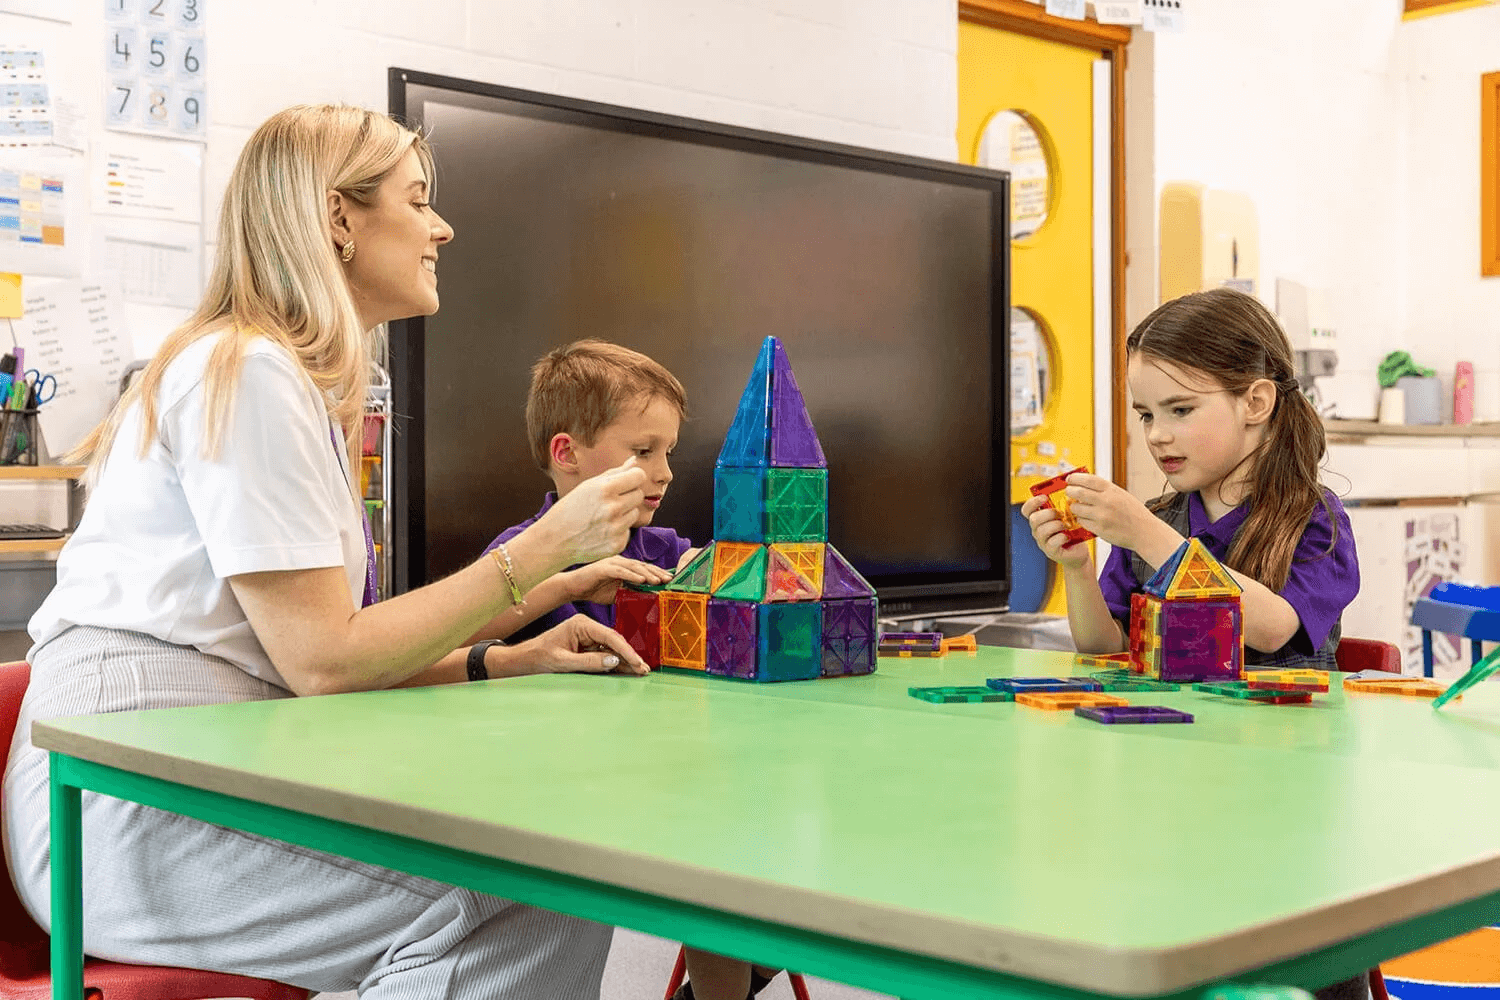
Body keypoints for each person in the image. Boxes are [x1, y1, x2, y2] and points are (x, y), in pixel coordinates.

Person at [2, 104, 653, 999]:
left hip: (180, 760)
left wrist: (498, 658)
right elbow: (324, 663)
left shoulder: (281, 379)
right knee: (542, 890)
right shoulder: (247, 370)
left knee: (545, 869)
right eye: (417, 200)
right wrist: (545, 547)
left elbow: (320, 651)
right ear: (338, 218)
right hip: (124, 797)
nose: (441, 227)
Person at [1021, 286, 1364, 1000]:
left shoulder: (1314, 518)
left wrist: (1146, 535)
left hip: (1283, 804)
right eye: (1146, 414)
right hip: (1175, 783)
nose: (1157, 435)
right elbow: (1104, 647)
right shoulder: (1161, 518)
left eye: (1179, 410)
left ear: (1256, 401)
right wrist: (1077, 570)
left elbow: (1273, 626)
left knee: (1288, 958)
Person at [470, 339, 697, 650]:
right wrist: (562, 589)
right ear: (567, 453)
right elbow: (448, 641)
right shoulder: (513, 554)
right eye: (644, 451)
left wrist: (712, 569)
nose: (665, 474)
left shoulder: (667, 550)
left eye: (668, 452)